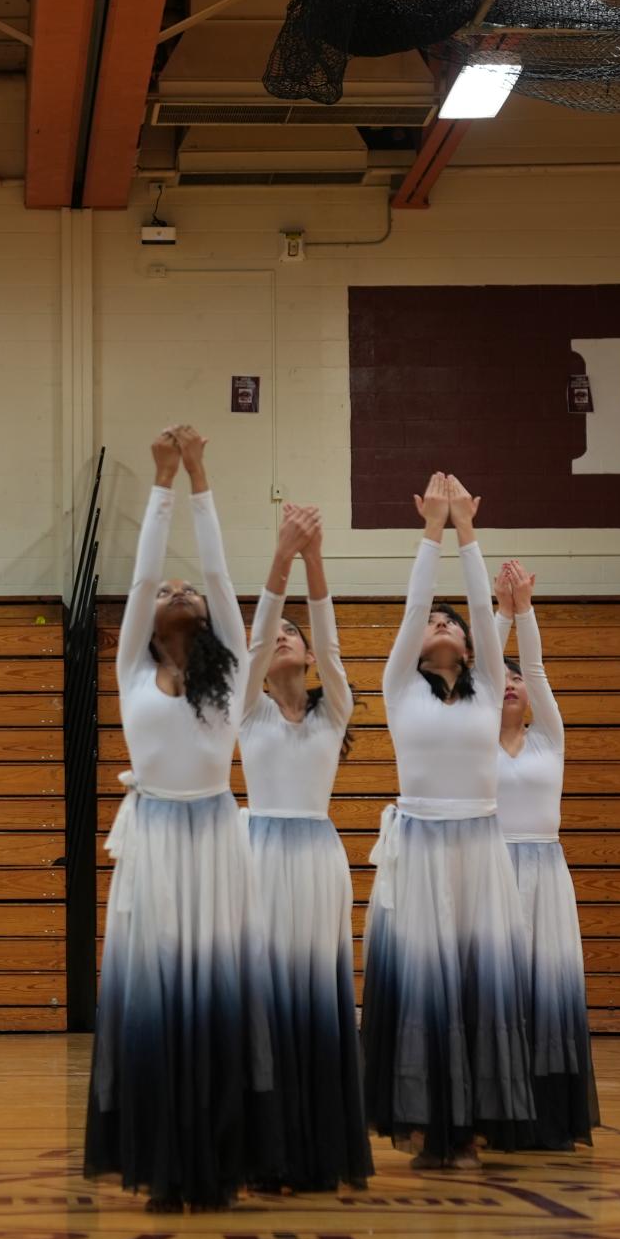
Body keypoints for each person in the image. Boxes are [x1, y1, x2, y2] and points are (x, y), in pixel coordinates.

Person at [85, 426, 278, 1211]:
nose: (177, 592)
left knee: (216, 998)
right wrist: (158, 482)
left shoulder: (229, 670)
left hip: (215, 835)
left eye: (184, 591)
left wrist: (201, 475)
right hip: (156, 840)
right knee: (157, 998)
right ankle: (162, 1154)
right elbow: (135, 584)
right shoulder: (133, 663)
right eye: (168, 593)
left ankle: (218, 1159)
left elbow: (223, 575)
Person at [361, 474, 534, 1170]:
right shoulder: (399, 689)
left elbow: (486, 614)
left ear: (470, 641)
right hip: (422, 843)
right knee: (423, 990)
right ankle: (429, 1123)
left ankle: (469, 1124)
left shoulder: (491, 685)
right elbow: (410, 605)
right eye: (433, 620)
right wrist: (430, 529)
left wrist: (468, 529)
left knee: (474, 984)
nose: (438, 622)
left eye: (450, 620)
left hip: (479, 844)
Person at [239, 502, 372, 1191]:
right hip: (257, 852)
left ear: (312, 657)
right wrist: (280, 558)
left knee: (316, 994)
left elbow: (327, 632)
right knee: (261, 997)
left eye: (297, 635)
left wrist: (315, 560)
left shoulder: (335, 708)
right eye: (277, 636)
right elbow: (254, 638)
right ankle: (263, 1149)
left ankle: (316, 1147)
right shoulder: (246, 705)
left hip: (318, 858)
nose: (285, 638)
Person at [493, 559, 600, 1151]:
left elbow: (532, 663)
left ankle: (548, 1117)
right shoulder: (475, 738)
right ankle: (494, 1114)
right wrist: (500, 615)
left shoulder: (550, 738)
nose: (509, 682)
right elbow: (487, 668)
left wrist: (526, 609)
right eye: (500, 678)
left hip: (544, 871)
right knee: (496, 993)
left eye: (517, 680)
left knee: (544, 991)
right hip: (489, 870)